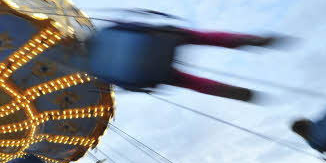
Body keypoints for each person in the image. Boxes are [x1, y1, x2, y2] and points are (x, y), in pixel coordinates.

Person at [83, 22, 283, 101]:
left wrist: (146, 86)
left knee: (190, 83)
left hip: (147, 72)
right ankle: (246, 40)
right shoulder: (106, 31)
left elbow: (123, 84)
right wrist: (161, 28)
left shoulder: (95, 69)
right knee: (201, 37)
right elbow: (135, 26)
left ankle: (231, 92)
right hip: (159, 42)